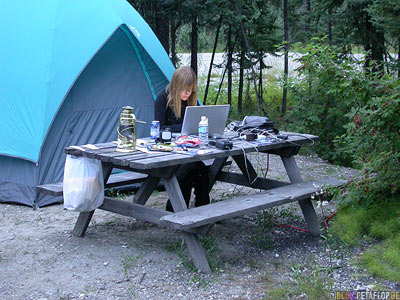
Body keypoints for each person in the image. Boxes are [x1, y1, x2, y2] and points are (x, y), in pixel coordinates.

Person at [154, 66, 210, 212]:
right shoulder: (162, 99)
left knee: (201, 168)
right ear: (175, 86)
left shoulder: (192, 100)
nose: (187, 93)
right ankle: (180, 206)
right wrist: (183, 128)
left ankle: (200, 206)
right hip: (168, 150)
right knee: (191, 167)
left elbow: (196, 124)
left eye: (190, 90)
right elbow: (159, 129)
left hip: (188, 148)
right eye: (184, 90)